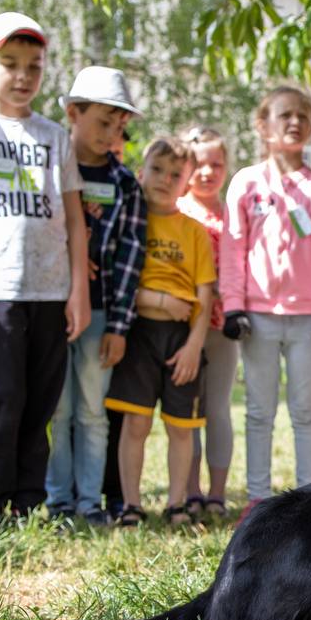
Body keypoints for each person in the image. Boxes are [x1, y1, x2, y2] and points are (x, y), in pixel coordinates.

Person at [0, 12, 90, 523]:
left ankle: (29, 504)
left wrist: (79, 291)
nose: (23, 76)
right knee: (1, 400)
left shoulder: (53, 136)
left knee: (40, 403)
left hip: (50, 292)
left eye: (34, 65)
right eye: (10, 64)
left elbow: (73, 218)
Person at [222, 86, 311, 514]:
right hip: (257, 316)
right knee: (259, 410)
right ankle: (258, 496)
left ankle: (308, 496)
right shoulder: (246, 183)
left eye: (302, 116)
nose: (294, 122)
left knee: (305, 410)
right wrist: (233, 306)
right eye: (284, 115)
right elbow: (233, 250)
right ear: (263, 126)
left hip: (309, 316)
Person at [44, 67, 146, 525]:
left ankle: (89, 503)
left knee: (91, 410)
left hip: (103, 312)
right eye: (103, 122)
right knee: (56, 407)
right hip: (47, 304)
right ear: (73, 112)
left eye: (119, 126)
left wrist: (120, 326)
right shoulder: (46, 167)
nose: (112, 134)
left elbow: (130, 260)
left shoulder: (125, 184)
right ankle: (56, 500)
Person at [104, 137, 214, 525]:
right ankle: (131, 504)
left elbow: (204, 296)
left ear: (186, 183)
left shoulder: (195, 232)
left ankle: (175, 502)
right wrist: (158, 301)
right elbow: (121, 284)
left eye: (175, 175)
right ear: (141, 171)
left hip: (181, 339)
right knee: (136, 422)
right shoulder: (130, 223)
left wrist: (193, 346)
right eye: (157, 170)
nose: (164, 180)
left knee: (180, 427)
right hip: (138, 334)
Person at [178, 127, 235, 515]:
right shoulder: (177, 209)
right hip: (183, 327)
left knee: (217, 407)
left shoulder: (234, 213)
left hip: (223, 326)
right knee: (186, 410)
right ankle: (189, 488)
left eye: (216, 164)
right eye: (199, 163)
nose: (207, 172)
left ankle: (216, 491)